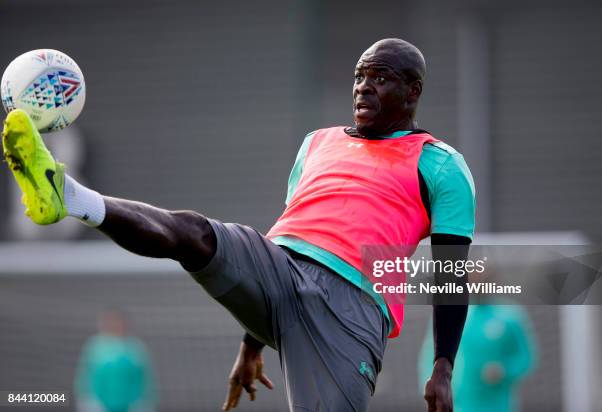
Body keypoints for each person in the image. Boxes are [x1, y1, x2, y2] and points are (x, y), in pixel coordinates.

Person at [2, 38, 475, 412]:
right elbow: (293, 223)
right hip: (280, 263)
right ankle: (67, 195)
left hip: (351, 309)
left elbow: (450, 275)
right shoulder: (318, 143)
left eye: (379, 78)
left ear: (412, 91)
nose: (363, 88)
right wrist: (252, 340)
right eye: (358, 77)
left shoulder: (440, 164)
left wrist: (443, 367)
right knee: (193, 233)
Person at [419, 305, 538, 412]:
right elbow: (431, 358)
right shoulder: (449, 316)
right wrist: (437, 392)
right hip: (459, 406)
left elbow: (525, 358)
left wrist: (504, 370)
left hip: (496, 406)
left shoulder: (509, 316)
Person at [74, 310, 158, 412]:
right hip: (101, 405)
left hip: (131, 405)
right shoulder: (95, 347)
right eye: (111, 322)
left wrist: (145, 402)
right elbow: (85, 377)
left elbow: (147, 379)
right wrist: (87, 400)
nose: (115, 325)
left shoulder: (136, 347)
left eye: (118, 322)